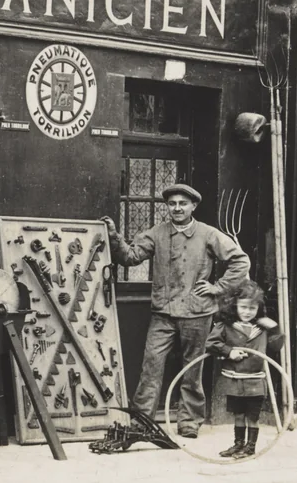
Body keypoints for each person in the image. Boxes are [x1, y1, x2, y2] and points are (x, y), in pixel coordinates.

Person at [101, 183, 249, 439]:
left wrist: (217, 288)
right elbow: (130, 257)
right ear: (167, 207)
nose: (177, 208)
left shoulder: (208, 234)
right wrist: (114, 236)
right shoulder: (157, 233)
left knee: (192, 370)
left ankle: (189, 423)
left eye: (183, 203)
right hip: (163, 314)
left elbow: (241, 261)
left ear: (193, 206)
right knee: (151, 367)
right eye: (172, 204)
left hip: (197, 314)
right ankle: (142, 422)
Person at [206, 281, 284, 459]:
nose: (247, 312)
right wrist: (229, 351)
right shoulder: (226, 326)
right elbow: (211, 344)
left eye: (252, 308)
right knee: (238, 414)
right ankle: (238, 444)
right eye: (243, 307)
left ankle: (250, 448)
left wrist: (275, 328)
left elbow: (277, 346)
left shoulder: (262, 328)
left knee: (252, 417)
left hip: (255, 380)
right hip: (234, 380)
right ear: (235, 306)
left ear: (259, 308)